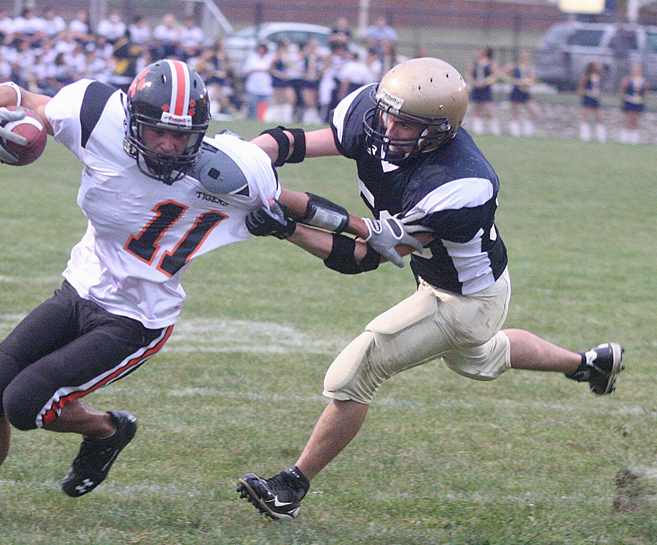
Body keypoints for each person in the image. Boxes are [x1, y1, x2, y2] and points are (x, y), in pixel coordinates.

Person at [235, 57, 625, 520]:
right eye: (387, 114)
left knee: (356, 371)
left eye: (406, 123)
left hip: (466, 300)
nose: (388, 127)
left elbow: (362, 257)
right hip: (454, 282)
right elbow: (294, 142)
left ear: (440, 130)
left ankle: (290, 488)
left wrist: (284, 218)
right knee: (483, 358)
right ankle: (589, 364)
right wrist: (248, 157)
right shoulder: (375, 113)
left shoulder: (461, 183)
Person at [0, 59, 280, 517]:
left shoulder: (231, 172)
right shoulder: (97, 115)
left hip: (137, 316)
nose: (169, 147)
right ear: (131, 121)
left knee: (25, 402)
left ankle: (107, 430)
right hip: (81, 286)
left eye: (182, 135)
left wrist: (356, 235)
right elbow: (21, 95)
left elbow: (292, 207)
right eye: (157, 132)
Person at [501, 49, 538, 137]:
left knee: (534, 111)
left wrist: (526, 82)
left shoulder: (529, 68)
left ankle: (527, 131)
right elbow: (501, 73)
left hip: (525, 92)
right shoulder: (514, 66)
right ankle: (515, 132)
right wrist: (512, 80)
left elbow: (532, 80)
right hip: (516, 91)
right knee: (514, 112)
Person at [467, 46, 500, 136]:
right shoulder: (475, 63)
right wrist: (474, 82)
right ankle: (478, 129)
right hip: (476, 87)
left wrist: (486, 82)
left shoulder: (490, 63)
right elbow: (469, 74)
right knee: (477, 109)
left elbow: (495, 75)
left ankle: (495, 130)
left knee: (489, 108)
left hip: (486, 88)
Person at [619, 61, 648, 144]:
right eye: (635, 69)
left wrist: (642, 98)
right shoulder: (628, 80)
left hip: (639, 102)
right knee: (629, 119)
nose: (636, 70)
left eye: (638, 69)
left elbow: (645, 92)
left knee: (636, 120)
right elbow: (623, 90)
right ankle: (624, 138)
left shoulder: (643, 81)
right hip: (629, 101)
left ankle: (634, 139)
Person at [579, 60, 606, 142]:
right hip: (588, 96)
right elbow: (582, 86)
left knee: (599, 116)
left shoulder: (600, 76)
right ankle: (585, 136)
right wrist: (583, 94)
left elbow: (600, 86)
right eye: (597, 65)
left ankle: (601, 136)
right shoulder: (587, 76)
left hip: (596, 97)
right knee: (586, 115)